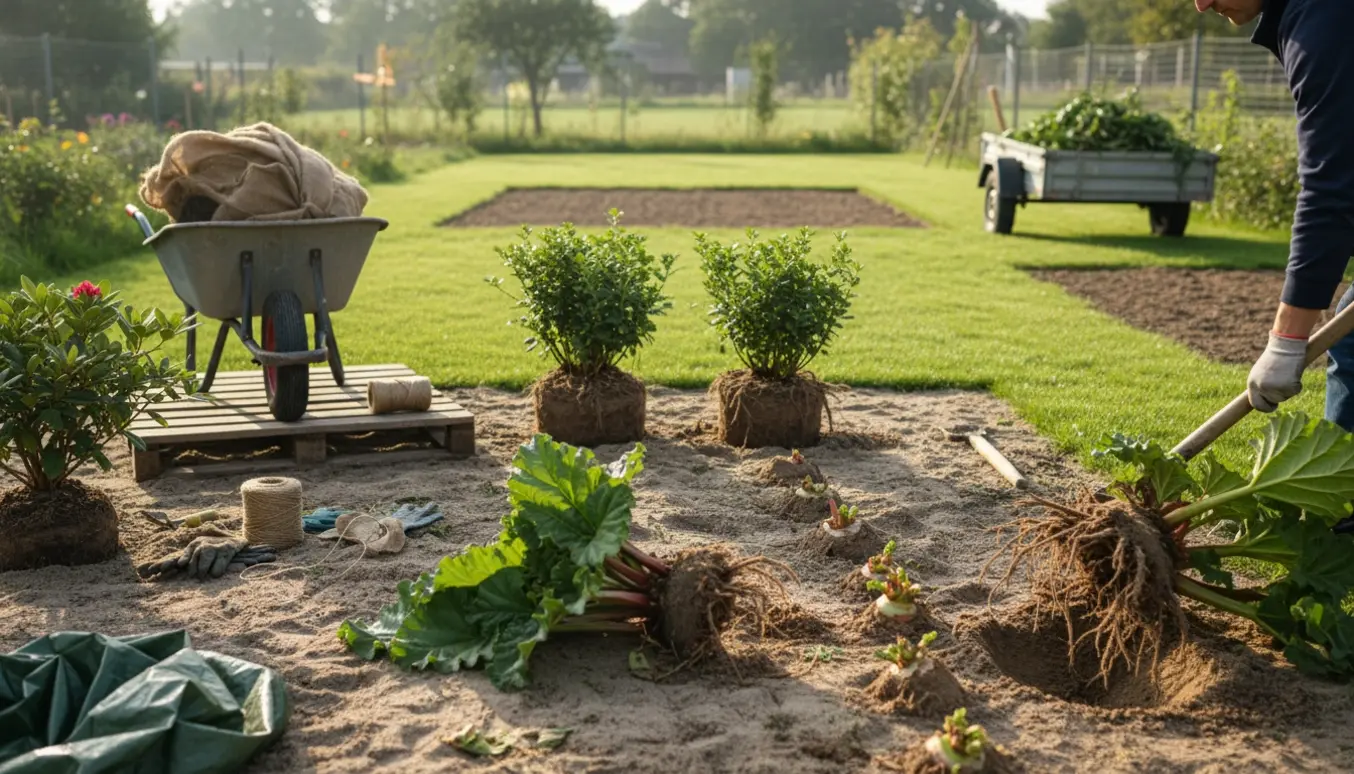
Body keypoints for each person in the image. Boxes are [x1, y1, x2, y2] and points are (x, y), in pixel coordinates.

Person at [1197, 0, 1354, 532]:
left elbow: (1333, 191)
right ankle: (1342, 524)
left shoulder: (1325, 19)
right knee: (1351, 341)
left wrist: (1287, 342)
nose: (1201, 3)